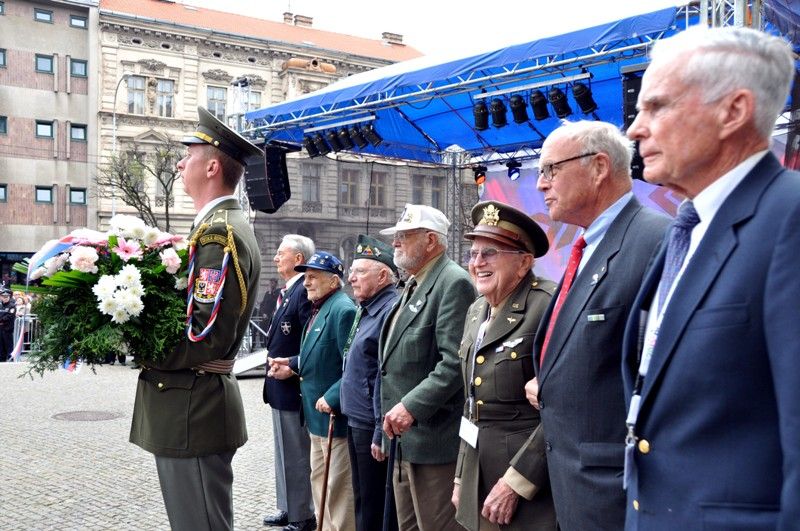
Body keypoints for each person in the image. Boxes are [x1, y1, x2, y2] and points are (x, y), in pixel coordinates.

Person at [621, 26, 799, 530]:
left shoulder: (789, 219)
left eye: (657, 107)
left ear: (733, 111)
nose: (634, 129)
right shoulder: (689, 227)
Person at [523, 120, 670, 530]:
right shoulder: (589, 245)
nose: (541, 184)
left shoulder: (655, 241)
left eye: (551, 169)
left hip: (616, 492)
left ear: (599, 167)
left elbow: (663, 379)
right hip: (575, 486)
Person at [129, 106, 262, 531]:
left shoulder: (219, 233)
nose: (180, 164)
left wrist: (145, 346)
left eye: (188, 155)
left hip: (194, 408)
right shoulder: (216, 227)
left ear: (212, 167)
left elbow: (205, 334)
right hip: (192, 406)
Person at [452, 201, 557, 531]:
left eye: (490, 253)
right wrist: (461, 476)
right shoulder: (476, 310)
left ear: (524, 263)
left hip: (529, 485)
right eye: (473, 253)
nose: (477, 263)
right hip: (479, 475)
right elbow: (472, 405)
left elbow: (560, 409)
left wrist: (517, 482)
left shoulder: (548, 306)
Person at [379, 204, 476, 531]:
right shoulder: (414, 282)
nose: (395, 243)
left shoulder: (452, 282)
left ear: (431, 240)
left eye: (404, 236)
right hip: (405, 439)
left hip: (433, 441)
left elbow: (455, 362)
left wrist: (411, 406)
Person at [270, 251, 356, 531]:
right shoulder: (320, 307)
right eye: (305, 277)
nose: (306, 283)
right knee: (320, 486)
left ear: (333, 281)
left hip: (334, 419)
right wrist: (292, 364)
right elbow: (318, 352)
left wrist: (332, 397)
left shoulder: (342, 309)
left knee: (337, 492)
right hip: (316, 418)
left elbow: (352, 367)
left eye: (313, 277)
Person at [340, 234, 400, 531]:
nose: (351, 278)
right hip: (357, 417)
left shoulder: (389, 311)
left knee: (374, 504)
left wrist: (379, 430)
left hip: (371, 422)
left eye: (360, 272)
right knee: (363, 498)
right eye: (352, 271)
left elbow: (384, 375)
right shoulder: (367, 307)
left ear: (383, 276)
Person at [261, 235, 317, 531]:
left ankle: (302, 515)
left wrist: (293, 365)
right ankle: (287, 506)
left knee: (296, 454)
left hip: (293, 385)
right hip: (278, 386)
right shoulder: (289, 291)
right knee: (283, 452)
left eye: (280, 253)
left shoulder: (303, 292)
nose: (275, 258)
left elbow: (311, 341)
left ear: (298, 259)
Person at [0, 289, 16, 362]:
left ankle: (10, 360)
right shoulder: (0, 305)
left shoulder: (12, 306)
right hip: (0, 329)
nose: (5, 298)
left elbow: (9, 316)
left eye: (7, 297)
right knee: (1, 345)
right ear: (1, 297)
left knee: (8, 345)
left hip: (7, 329)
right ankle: (1, 360)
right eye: (4, 296)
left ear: (9, 297)